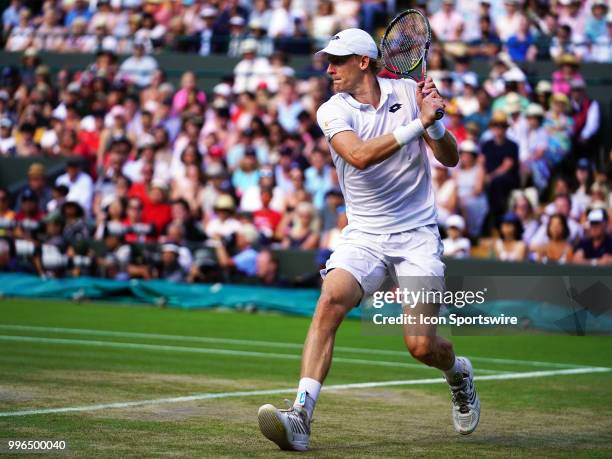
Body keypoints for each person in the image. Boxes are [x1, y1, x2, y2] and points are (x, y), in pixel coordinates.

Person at [257, 28, 479, 451]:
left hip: (417, 236)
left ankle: (458, 373)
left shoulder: (411, 92)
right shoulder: (331, 111)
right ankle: (301, 416)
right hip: (365, 235)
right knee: (330, 298)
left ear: (363, 61)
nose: (329, 69)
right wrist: (419, 122)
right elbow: (358, 156)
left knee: (420, 346)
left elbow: (450, 158)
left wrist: (434, 123)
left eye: (337, 61)